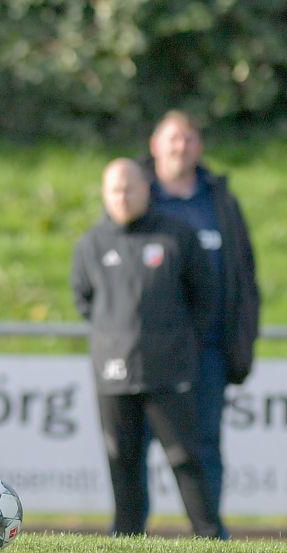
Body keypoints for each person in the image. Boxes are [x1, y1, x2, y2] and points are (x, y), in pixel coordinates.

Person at [71, 158, 222, 537]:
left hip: (169, 371)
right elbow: (84, 300)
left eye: (129, 188)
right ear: (105, 194)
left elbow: (205, 297)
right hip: (113, 372)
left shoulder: (177, 237)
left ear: (146, 190)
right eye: (114, 189)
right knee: (121, 460)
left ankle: (210, 536)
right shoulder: (91, 243)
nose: (121, 196)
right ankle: (126, 537)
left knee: (186, 458)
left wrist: (177, 341)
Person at [139, 110, 260, 535]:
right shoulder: (137, 195)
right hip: (147, 352)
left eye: (189, 138)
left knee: (205, 447)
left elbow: (244, 277)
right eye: (172, 138)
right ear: (155, 145)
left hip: (207, 351)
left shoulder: (219, 200)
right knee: (135, 449)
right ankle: (129, 535)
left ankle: (211, 536)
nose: (180, 146)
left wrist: (242, 343)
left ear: (200, 147)